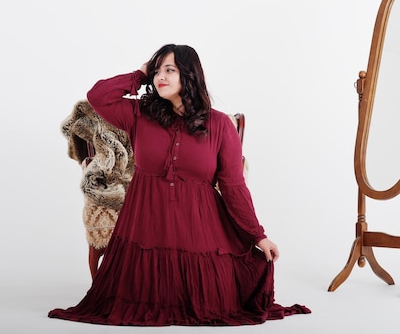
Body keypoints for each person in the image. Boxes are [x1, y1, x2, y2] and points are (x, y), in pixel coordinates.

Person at [48, 44, 310, 326]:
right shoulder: (139, 115)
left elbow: (234, 187)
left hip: (200, 227)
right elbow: (98, 97)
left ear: (190, 75)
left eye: (170, 70)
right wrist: (140, 74)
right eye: (157, 70)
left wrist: (258, 235)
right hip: (145, 225)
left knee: (216, 299)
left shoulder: (220, 125)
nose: (161, 76)